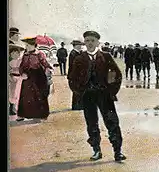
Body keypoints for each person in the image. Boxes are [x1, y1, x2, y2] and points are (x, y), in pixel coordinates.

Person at [68, 31, 126, 162]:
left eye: (92, 40)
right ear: (84, 42)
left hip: (105, 95)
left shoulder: (106, 56)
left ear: (97, 42)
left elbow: (117, 75)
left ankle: (118, 152)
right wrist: (79, 92)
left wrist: (111, 92)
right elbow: (71, 78)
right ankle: (96, 150)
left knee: (112, 122)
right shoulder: (79, 58)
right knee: (91, 123)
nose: (90, 43)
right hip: (88, 96)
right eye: (87, 40)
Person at [17, 37, 54, 121]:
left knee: (39, 95)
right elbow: (22, 66)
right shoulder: (25, 54)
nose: (27, 47)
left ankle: (40, 115)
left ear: (34, 45)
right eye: (26, 45)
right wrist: (22, 73)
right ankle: (23, 115)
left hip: (39, 77)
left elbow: (45, 64)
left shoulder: (39, 54)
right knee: (26, 96)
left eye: (28, 45)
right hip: (28, 77)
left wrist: (49, 70)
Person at [9, 43, 25, 120]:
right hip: (12, 79)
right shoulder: (10, 62)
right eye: (12, 53)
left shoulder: (21, 61)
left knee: (18, 94)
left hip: (19, 79)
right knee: (12, 94)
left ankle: (20, 112)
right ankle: (12, 108)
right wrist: (10, 76)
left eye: (16, 53)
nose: (15, 54)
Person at [68, 40, 84, 110]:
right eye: (80, 45)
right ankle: (76, 106)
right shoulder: (73, 53)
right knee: (76, 90)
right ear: (76, 45)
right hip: (74, 75)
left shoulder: (78, 53)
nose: (81, 46)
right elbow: (73, 65)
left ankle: (78, 105)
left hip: (77, 75)